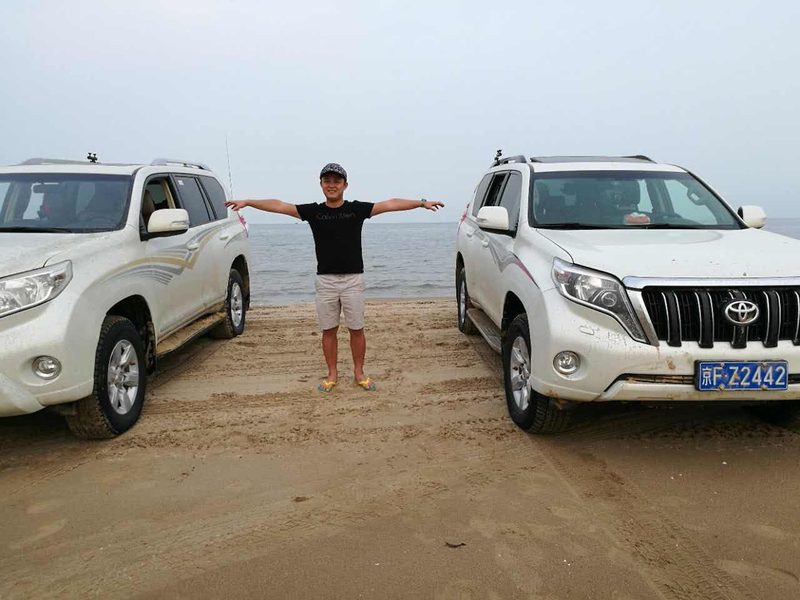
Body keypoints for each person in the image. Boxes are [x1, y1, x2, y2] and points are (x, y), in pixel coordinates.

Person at [224, 163, 444, 393]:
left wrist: (422, 203)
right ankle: (332, 374)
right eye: (327, 181)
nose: (332, 185)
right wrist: (248, 202)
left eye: (336, 181)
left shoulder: (357, 209)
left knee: (356, 329)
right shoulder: (314, 212)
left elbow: (390, 204)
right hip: (326, 281)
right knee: (328, 330)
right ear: (320, 184)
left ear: (345, 185)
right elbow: (280, 206)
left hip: (353, 280)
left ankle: (359, 373)